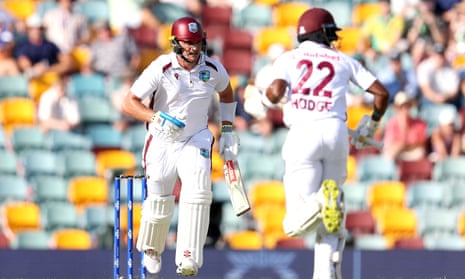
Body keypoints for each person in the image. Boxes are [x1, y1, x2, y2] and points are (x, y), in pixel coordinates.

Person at [244, 8, 389, 278]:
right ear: (322, 32)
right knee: (332, 222)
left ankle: (322, 201)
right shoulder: (343, 59)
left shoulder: (290, 58)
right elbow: (381, 93)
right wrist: (373, 122)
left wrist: (262, 102)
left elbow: (276, 92)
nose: (334, 39)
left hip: (304, 135)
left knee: (294, 224)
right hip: (336, 133)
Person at [121, 16, 238, 276]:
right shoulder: (161, 67)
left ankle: (188, 255)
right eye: (187, 43)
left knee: (198, 191)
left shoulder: (212, 68)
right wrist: (154, 117)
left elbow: (227, 93)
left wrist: (228, 130)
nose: (193, 48)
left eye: (197, 42)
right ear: (176, 43)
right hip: (162, 140)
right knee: (160, 195)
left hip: (196, 137)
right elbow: (129, 102)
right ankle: (151, 247)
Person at [382, 91, 428, 162]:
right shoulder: (391, 123)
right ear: (396, 108)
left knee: (421, 153)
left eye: (407, 106)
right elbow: (389, 145)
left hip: (412, 152)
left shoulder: (419, 123)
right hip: (397, 153)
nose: (405, 109)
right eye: (401, 107)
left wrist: (405, 146)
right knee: (389, 154)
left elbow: (422, 143)